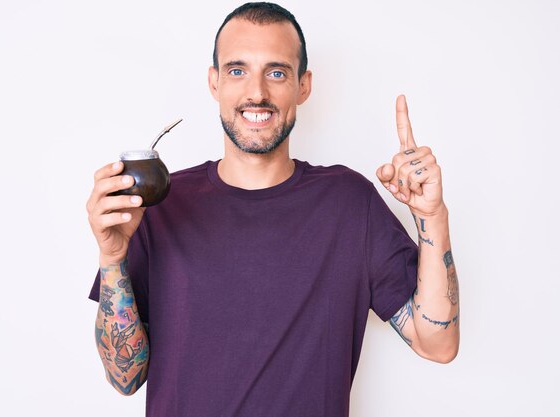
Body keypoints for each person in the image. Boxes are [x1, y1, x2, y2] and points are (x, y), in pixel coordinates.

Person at [87, 2, 460, 416]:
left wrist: (432, 217)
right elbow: (125, 379)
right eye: (237, 70)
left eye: (277, 72)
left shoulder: (350, 204)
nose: (257, 92)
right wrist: (112, 258)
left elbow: (438, 344)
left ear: (304, 85)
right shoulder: (159, 205)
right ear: (214, 83)